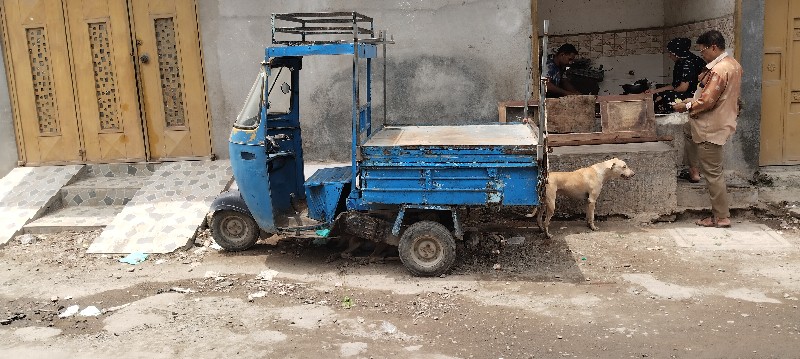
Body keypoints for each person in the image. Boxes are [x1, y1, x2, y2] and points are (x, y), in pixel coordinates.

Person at [673, 30, 742, 229]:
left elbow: (708, 101)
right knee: (687, 130)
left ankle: (721, 217)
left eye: (703, 51)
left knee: (713, 173)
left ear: (713, 47)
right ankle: (694, 169)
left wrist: (686, 106)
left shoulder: (720, 70)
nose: (701, 54)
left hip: (710, 125)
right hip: (720, 120)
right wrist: (693, 101)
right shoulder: (733, 64)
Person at [647, 37, 706, 114]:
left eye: (671, 53)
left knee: (665, 97)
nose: (669, 55)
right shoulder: (679, 62)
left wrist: (664, 94)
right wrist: (654, 91)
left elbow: (683, 88)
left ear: (677, 53)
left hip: (693, 94)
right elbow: (675, 85)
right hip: (683, 92)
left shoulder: (688, 63)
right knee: (656, 95)